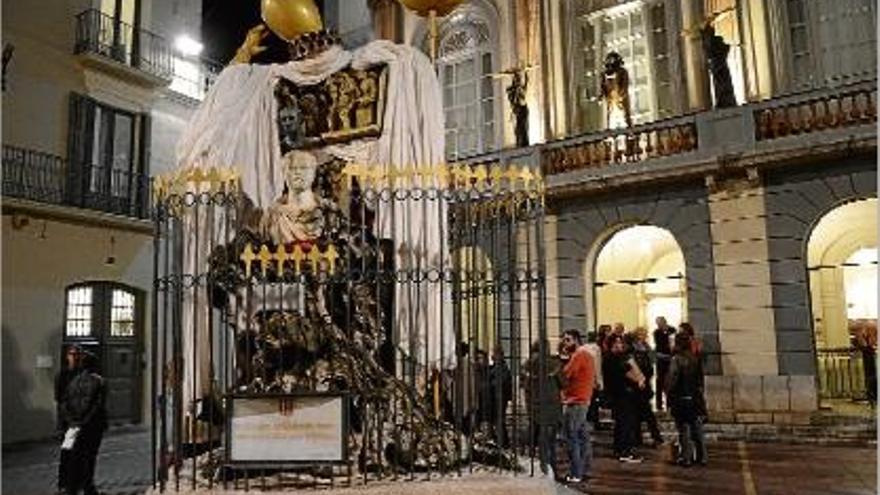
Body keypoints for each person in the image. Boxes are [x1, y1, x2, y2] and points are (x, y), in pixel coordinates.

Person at [61, 351, 108, 495]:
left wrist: (72, 421)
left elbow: (64, 403)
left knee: (73, 456)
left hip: (73, 426)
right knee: (89, 456)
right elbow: (98, 405)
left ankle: (71, 487)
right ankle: (88, 486)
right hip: (91, 426)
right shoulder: (99, 381)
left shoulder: (73, 382)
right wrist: (85, 421)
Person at [558, 329, 596, 484]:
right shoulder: (586, 354)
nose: (565, 343)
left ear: (576, 339)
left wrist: (561, 358)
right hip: (582, 399)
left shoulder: (579, 355)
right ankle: (584, 470)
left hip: (575, 400)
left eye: (567, 340)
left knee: (571, 437)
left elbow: (565, 374)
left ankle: (576, 473)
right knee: (582, 437)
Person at [666, 332, 707, 466]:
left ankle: (686, 457)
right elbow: (700, 379)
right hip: (695, 397)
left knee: (684, 428)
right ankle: (702, 456)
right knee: (697, 428)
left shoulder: (676, 359)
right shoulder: (695, 358)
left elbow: (672, 380)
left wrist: (668, 393)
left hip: (681, 397)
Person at [523, 340, 562, 479]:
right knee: (549, 445)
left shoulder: (527, 365)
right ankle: (551, 473)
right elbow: (564, 383)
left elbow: (524, 386)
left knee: (534, 443)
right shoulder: (554, 364)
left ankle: (535, 471)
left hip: (534, 407)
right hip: (551, 408)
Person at [603, 333, 644, 463]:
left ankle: (620, 449)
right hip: (621, 395)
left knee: (622, 423)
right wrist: (638, 376)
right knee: (625, 423)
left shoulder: (615, 358)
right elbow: (635, 376)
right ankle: (624, 451)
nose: (621, 345)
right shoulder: (614, 359)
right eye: (618, 343)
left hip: (621, 395)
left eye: (621, 343)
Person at [55, 345, 82, 494]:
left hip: (81, 420)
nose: (75, 357)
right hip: (69, 422)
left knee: (80, 453)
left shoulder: (83, 374)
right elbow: (59, 398)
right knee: (67, 452)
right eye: (72, 354)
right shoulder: (63, 375)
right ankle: (63, 483)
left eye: (77, 354)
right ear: (67, 356)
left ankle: (76, 483)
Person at [631, 327, 663, 447]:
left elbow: (651, 361)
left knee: (646, 413)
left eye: (644, 334)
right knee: (642, 413)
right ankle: (642, 437)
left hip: (645, 383)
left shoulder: (646, 347)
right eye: (640, 334)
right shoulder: (633, 349)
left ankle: (653, 437)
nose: (643, 336)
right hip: (637, 384)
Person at [489, 346, 513, 447]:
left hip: (499, 397)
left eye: (494, 354)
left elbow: (500, 382)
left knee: (499, 420)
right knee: (498, 420)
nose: (492, 356)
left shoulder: (501, 367)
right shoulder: (499, 367)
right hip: (499, 397)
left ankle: (503, 442)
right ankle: (502, 440)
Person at [653, 316, 676, 411]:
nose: (659, 325)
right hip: (661, 358)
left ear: (664, 322)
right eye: (657, 323)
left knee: (670, 380)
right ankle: (659, 404)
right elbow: (660, 343)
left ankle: (670, 403)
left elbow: (672, 342)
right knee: (660, 380)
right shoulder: (656, 332)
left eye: (660, 323)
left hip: (670, 357)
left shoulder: (672, 329)